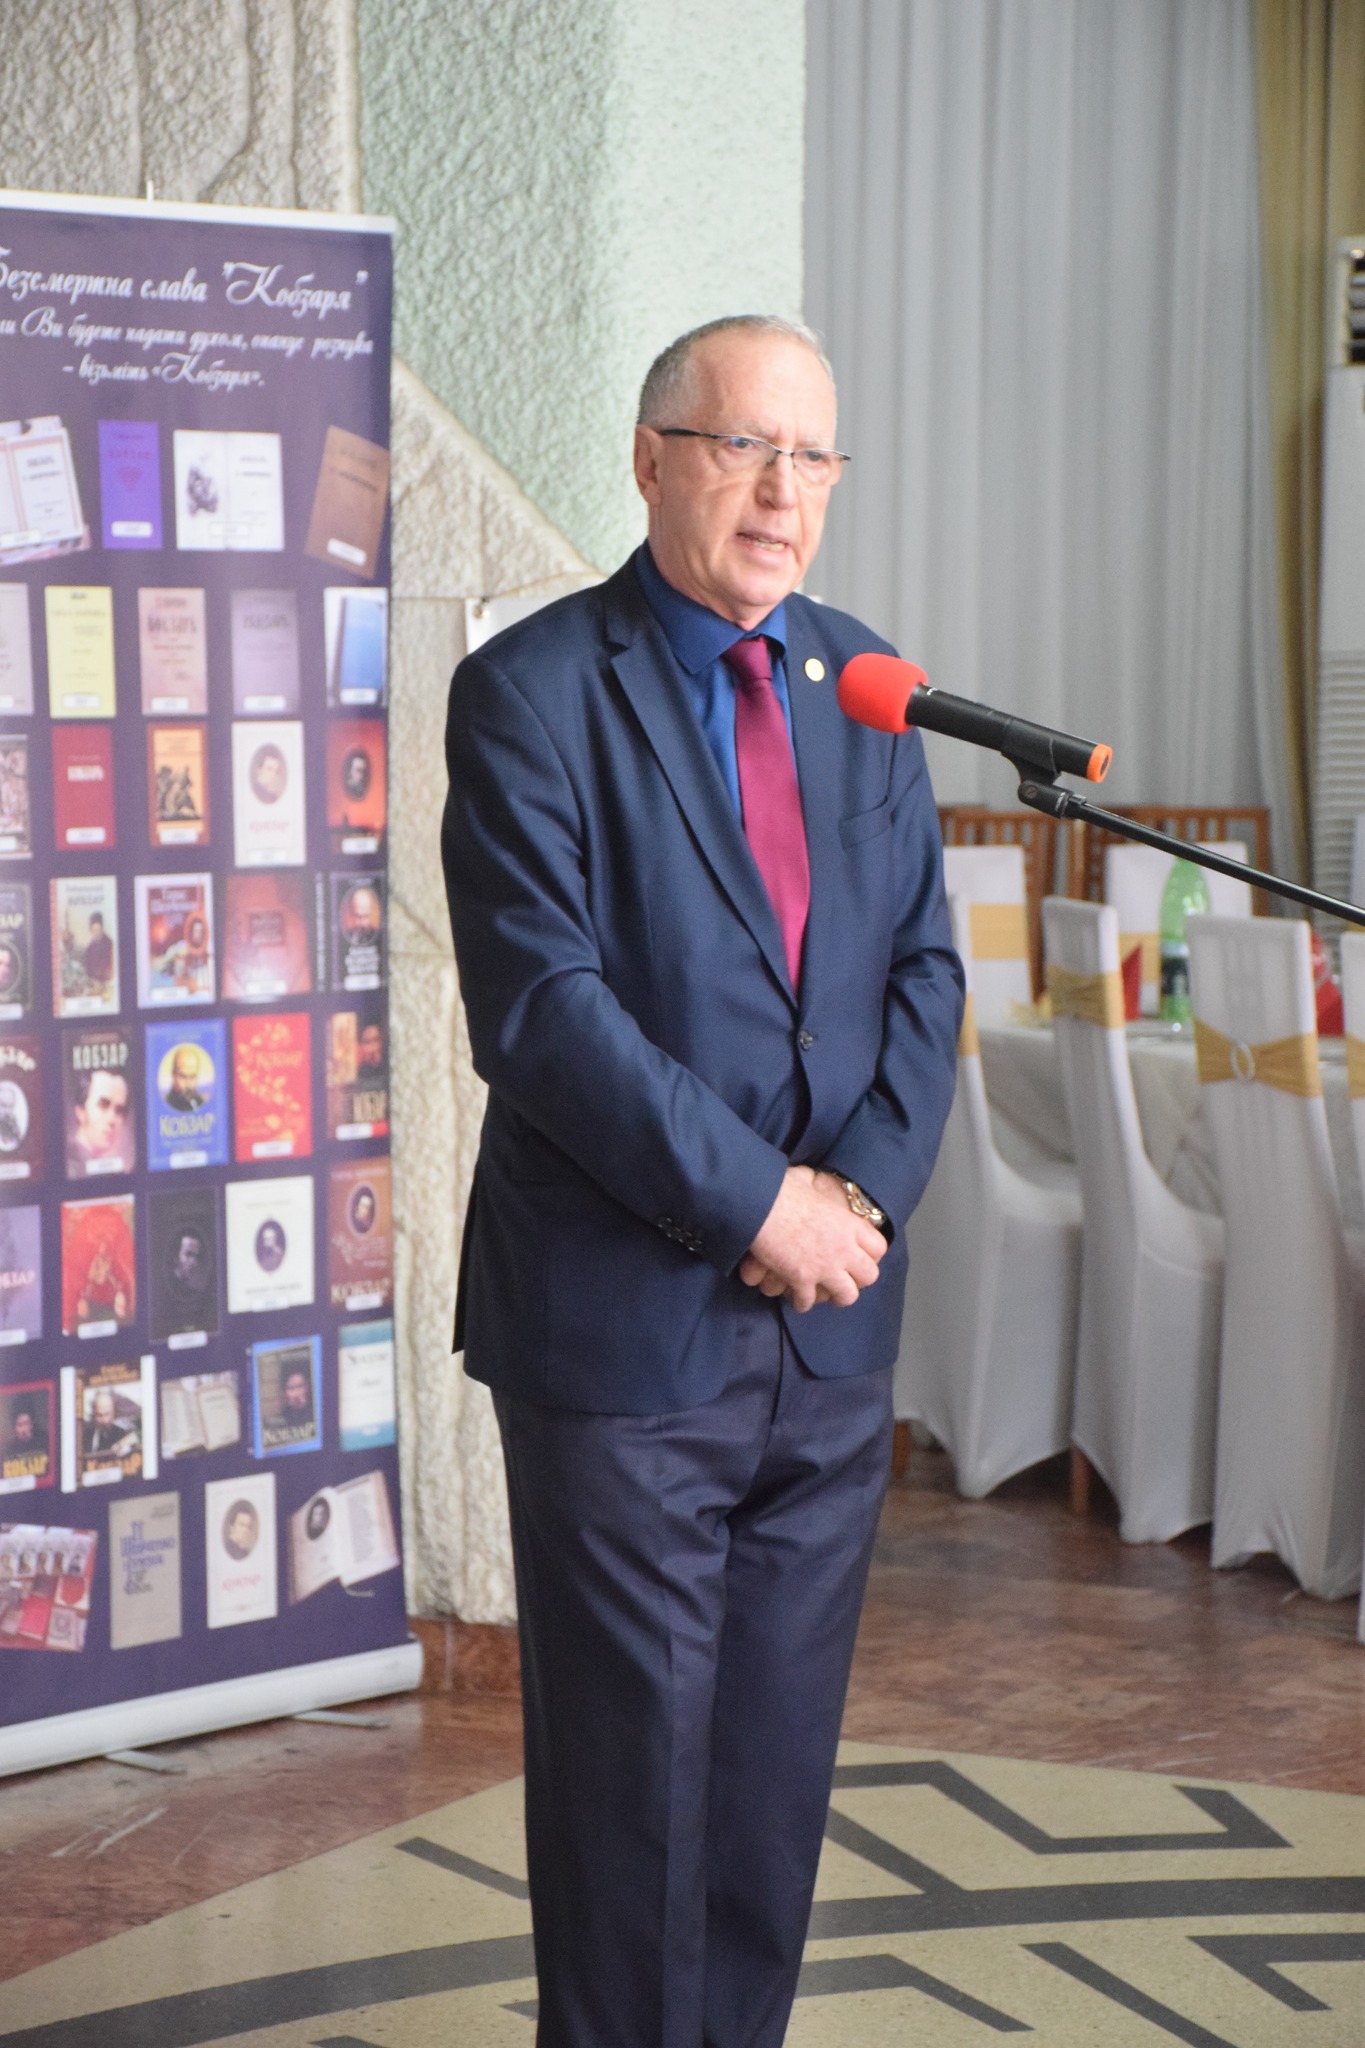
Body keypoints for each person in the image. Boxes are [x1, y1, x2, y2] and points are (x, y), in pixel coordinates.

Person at [441, 314, 962, 2048]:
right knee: (629, 1808)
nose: (781, 493)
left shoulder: (868, 685)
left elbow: (923, 974)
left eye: (812, 457)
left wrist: (855, 1205)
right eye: (745, 447)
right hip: (624, 1340)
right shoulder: (529, 693)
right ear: (653, 457)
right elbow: (546, 1011)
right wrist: (763, 1206)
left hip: (826, 1337)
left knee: (765, 1799)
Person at [69, 1062, 131, 1169]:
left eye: (119, 1110)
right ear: (81, 1111)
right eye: (103, 1105)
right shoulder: (70, 1165)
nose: (112, 1119)